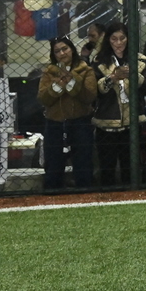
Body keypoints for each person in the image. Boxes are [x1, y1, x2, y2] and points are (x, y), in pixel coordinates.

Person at [92, 23, 146, 187]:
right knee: (107, 168)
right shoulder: (98, 62)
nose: (118, 43)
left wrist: (134, 75)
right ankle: (108, 196)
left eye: (122, 38)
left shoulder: (140, 61)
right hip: (107, 124)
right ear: (108, 40)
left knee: (132, 168)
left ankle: (134, 195)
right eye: (114, 39)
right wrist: (112, 78)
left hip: (132, 123)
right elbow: (94, 91)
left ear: (128, 39)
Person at [37, 36, 98, 191]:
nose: (62, 53)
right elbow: (43, 99)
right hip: (54, 124)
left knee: (83, 164)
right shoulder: (49, 72)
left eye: (65, 49)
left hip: (80, 122)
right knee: (53, 166)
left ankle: (85, 196)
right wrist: (57, 86)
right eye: (57, 51)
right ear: (53, 54)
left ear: (72, 50)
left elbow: (89, 96)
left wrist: (72, 82)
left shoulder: (86, 70)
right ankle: (52, 197)